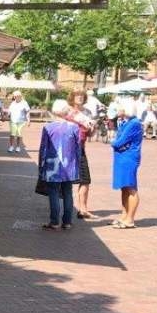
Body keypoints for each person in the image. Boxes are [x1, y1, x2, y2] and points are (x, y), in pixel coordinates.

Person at [37, 99, 80, 230]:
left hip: (52, 164)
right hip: (69, 164)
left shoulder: (48, 127)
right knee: (67, 192)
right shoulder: (74, 127)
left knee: (53, 192)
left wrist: (41, 165)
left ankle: (54, 221)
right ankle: (67, 221)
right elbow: (79, 148)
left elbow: (43, 148)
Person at [110, 98, 143, 228]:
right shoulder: (126, 122)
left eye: (119, 107)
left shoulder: (134, 123)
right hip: (122, 157)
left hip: (128, 158)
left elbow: (119, 141)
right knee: (124, 188)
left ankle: (130, 219)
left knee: (130, 188)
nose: (117, 110)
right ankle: (124, 215)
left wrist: (112, 142)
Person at [66, 90, 96, 219]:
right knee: (65, 179)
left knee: (85, 179)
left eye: (82, 96)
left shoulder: (87, 113)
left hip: (80, 148)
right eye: (77, 95)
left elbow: (90, 134)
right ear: (72, 97)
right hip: (67, 148)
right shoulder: (67, 111)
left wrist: (92, 129)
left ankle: (82, 209)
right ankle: (64, 208)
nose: (79, 97)